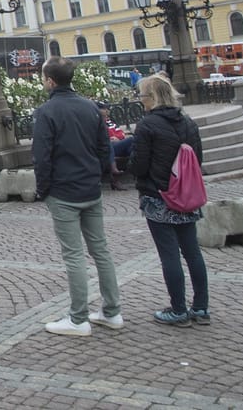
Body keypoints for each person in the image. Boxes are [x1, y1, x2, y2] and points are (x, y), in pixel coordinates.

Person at [33, 56, 123, 336]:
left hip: (63, 190)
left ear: (50, 81)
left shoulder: (46, 112)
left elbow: (42, 156)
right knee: (101, 250)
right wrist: (96, 175)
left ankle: (78, 317)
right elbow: (103, 147)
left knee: (73, 256)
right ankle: (112, 311)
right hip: (89, 187)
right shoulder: (91, 108)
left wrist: (43, 189)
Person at [131, 75, 210, 327]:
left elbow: (139, 166)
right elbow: (197, 159)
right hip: (186, 196)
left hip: (159, 197)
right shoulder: (188, 123)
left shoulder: (147, 125)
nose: (140, 100)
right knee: (192, 252)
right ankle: (200, 307)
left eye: (142, 95)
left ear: (152, 97)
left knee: (169, 256)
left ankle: (178, 309)